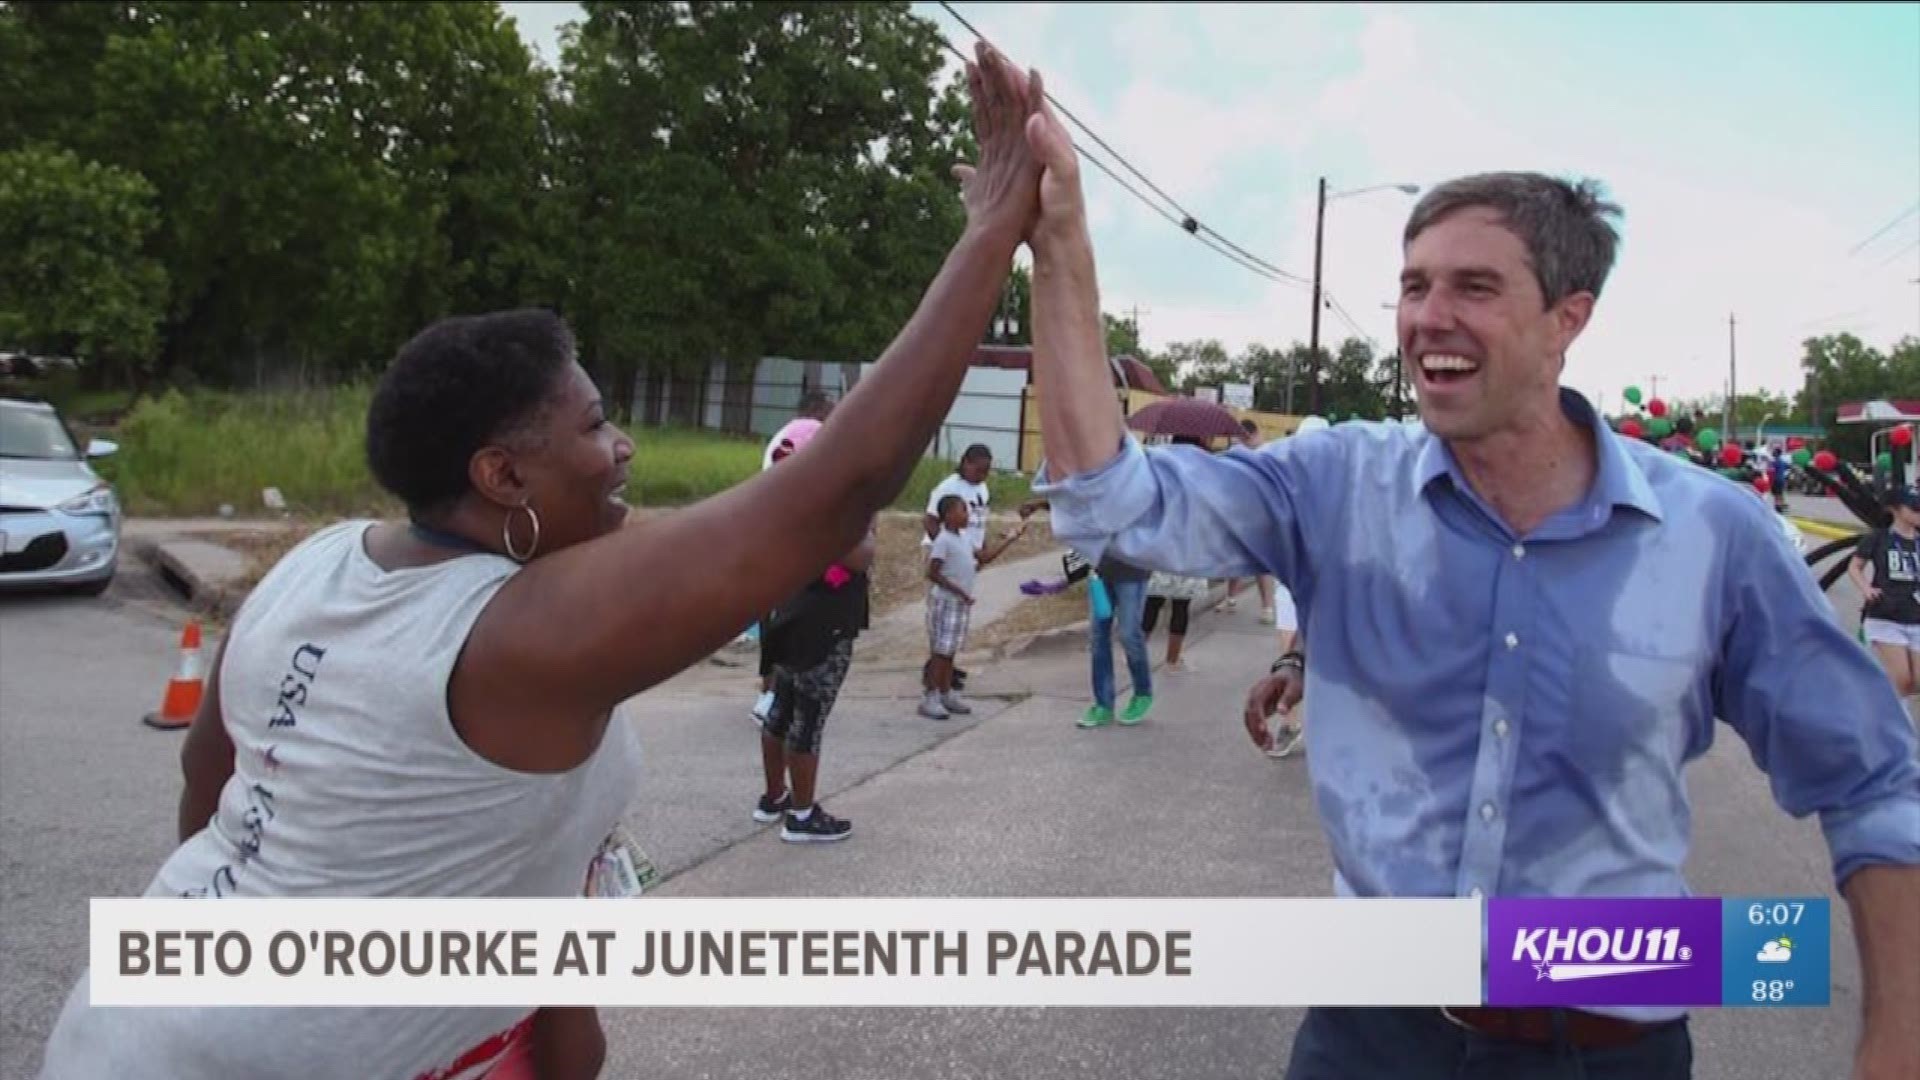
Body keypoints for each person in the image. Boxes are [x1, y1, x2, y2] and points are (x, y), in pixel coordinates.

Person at [35, 40, 1050, 1080]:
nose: (624, 451)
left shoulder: (317, 561)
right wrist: (989, 236)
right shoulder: (512, 634)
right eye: (597, 426)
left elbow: (213, 771)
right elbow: (830, 491)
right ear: (502, 475)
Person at [1019, 94, 1920, 1080]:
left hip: (1605, 1050)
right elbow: (1110, 507)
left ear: (1568, 319)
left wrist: (1895, 1048)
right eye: (1413, 285)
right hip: (1368, 1038)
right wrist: (1061, 243)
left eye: (1475, 287)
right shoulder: (1335, 486)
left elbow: (1873, 780)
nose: (1426, 318)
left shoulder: (1716, 538)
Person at [754, 420, 873, 843]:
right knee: (807, 720)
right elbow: (860, 557)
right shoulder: (826, 506)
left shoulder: (777, 499)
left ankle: (774, 798)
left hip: (786, 613)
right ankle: (802, 817)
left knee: (780, 711)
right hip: (822, 624)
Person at [752, 403, 836, 725]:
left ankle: (771, 692)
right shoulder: (803, 440)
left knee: (777, 622)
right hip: (788, 545)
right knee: (784, 622)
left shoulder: (782, 440)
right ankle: (772, 694)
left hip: (777, 542)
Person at [922, 493, 1027, 719]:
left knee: (950, 652)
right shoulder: (943, 540)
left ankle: (946, 692)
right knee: (940, 652)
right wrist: (960, 592)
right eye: (962, 510)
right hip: (946, 602)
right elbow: (932, 573)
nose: (967, 515)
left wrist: (1010, 539)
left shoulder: (964, 538)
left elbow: (984, 557)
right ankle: (931, 696)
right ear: (948, 515)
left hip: (960, 603)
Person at [922, 444, 996, 694]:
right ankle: (933, 675)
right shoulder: (949, 487)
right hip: (948, 556)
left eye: (986, 471)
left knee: (956, 622)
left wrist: (981, 548)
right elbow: (930, 519)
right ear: (965, 462)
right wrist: (947, 548)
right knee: (942, 618)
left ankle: (947, 671)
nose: (982, 476)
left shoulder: (982, 488)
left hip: (968, 555)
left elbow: (980, 521)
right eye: (978, 470)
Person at [1850, 485, 1920, 707]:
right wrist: (1866, 589)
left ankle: (1878, 705)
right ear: (1896, 510)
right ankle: (1896, 729)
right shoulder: (1878, 538)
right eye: (1915, 508)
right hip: (1886, 616)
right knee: (1901, 678)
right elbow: (1854, 567)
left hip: (1916, 617)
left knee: (1916, 682)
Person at [1082, 551, 1155, 728]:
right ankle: (1103, 704)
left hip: (1133, 570)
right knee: (1098, 635)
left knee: (1129, 634)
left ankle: (1142, 692)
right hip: (1100, 571)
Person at [1226, 419, 1281, 624]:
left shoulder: (1267, 454)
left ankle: (1267, 607)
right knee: (1233, 558)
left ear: (1253, 434)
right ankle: (1231, 597)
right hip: (1242, 512)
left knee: (1261, 565)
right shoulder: (1240, 452)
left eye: (1246, 437)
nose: (1244, 440)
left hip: (1260, 514)